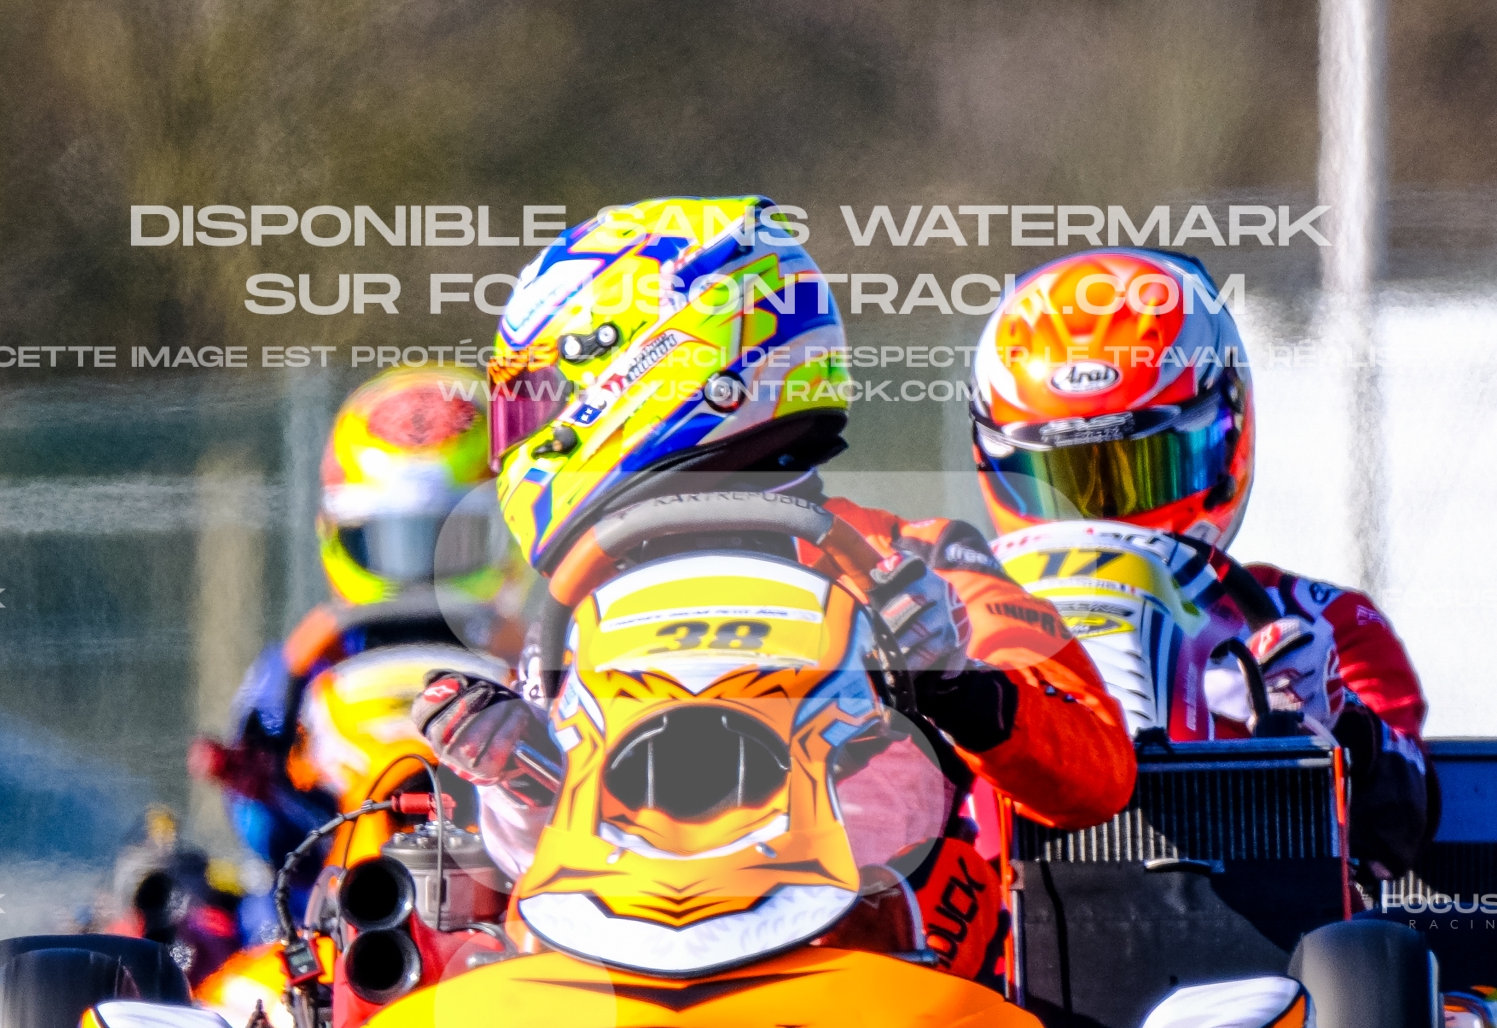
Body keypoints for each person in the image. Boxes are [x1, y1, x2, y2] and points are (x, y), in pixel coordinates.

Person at [409, 194, 1134, 981]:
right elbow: (541, 859)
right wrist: (512, 762)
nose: (524, 437)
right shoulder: (578, 607)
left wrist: (956, 683)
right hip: (614, 991)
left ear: (659, 363)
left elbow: (1098, 771)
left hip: (883, 985)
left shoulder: (912, 564)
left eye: (539, 397)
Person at [968, 245, 1435, 879]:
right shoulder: (951, 617)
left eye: (1144, 471)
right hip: (996, 923)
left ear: (1227, 431)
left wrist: (1333, 722)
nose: (1103, 516)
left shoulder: (1317, 625)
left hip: (1252, 926)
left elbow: (1402, 835)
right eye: (1065, 481)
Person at [194, 364, 517, 929]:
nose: (417, 572)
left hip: (507, 902)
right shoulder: (301, 667)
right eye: (385, 541)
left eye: (448, 540)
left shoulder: (534, 658)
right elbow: (262, 829)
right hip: (322, 910)